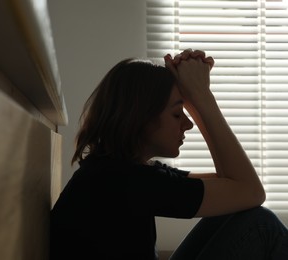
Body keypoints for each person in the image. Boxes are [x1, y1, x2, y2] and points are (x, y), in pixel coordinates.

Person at [50, 50, 288, 259]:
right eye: (177, 114)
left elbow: (235, 189)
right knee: (261, 225)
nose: (188, 124)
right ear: (140, 118)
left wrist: (196, 97)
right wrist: (202, 97)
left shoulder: (120, 171)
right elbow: (251, 191)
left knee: (231, 210)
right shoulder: (122, 181)